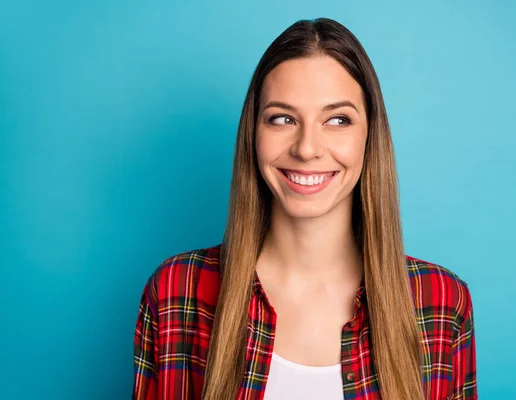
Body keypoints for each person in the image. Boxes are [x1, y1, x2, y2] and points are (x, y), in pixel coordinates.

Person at [132, 17, 477, 400]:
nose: (307, 148)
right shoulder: (176, 292)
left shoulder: (441, 302)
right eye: (282, 118)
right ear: (253, 134)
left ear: (369, 136)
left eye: (337, 119)